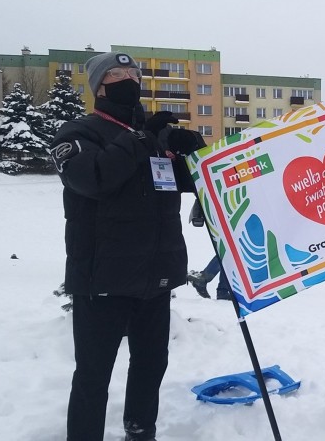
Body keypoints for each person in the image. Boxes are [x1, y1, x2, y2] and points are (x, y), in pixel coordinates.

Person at [50, 51, 204, 441]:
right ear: (100, 87)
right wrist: (141, 138)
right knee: (93, 374)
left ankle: (140, 430)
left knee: (152, 362)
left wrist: (195, 151)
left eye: (133, 74)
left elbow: (193, 184)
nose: (129, 80)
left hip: (155, 275)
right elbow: (94, 179)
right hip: (103, 278)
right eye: (118, 74)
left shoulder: (152, 135)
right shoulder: (77, 133)